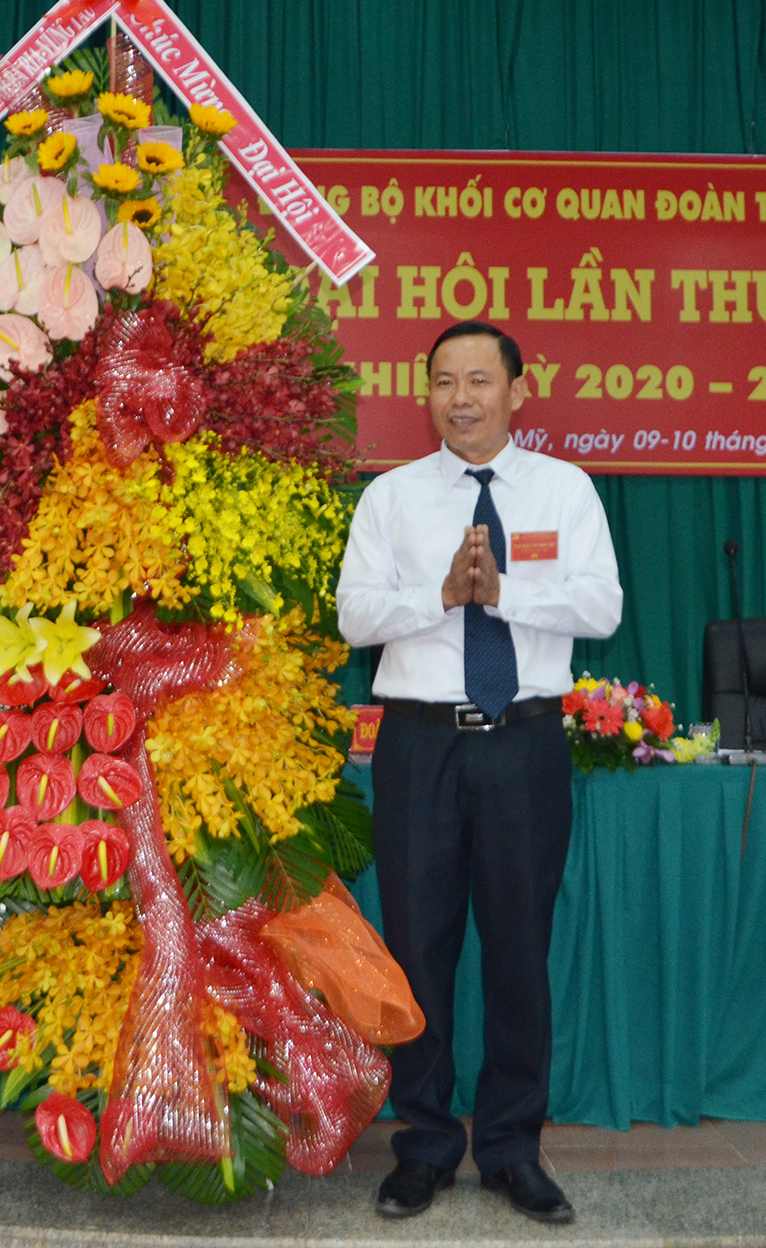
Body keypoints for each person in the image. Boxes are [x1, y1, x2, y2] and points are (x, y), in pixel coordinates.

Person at [336, 320, 622, 1225]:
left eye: (478, 380)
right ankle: (422, 1146)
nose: (460, 398)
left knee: (517, 948)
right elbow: (354, 616)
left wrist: (504, 593)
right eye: (443, 382)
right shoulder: (391, 497)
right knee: (417, 949)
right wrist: (444, 597)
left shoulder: (564, 489)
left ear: (517, 390)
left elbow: (602, 605)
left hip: (522, 743)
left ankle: (509, 1147)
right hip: (420, 743)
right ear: (425, 394)